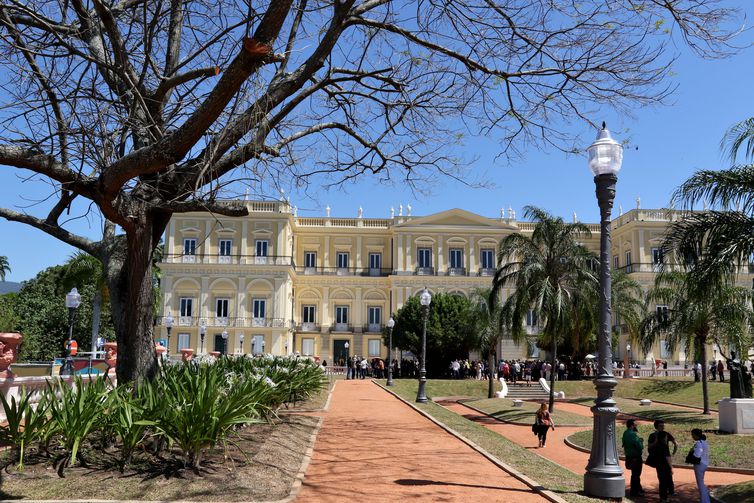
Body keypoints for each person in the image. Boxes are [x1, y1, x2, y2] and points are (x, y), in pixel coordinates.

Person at [648, 420, 677, 502]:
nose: (663, 427)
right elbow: (649, 447)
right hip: (660, 461)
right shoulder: (653, 436)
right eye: (661, 425)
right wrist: (655, 442)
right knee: (663, 480)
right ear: (656, 426)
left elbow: (675, 443)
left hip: (663, 461)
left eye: (663, 425)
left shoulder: (666, 434)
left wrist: (674, 451)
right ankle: (664, 498)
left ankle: (665, 496)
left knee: (665, 479)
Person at [622, 419, 645, 497]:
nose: (636, 425)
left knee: (634, 474)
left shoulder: (625, 433)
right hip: (636, 457)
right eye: (635, 424)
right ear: (632, 425)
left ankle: (639, 488)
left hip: (628, 456)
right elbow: (640, 447)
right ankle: (634, 491)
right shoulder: (633, 434)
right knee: (636, 475)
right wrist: (641, 441)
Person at [691, 428, 710, 503]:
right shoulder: (704, 442)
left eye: (693, 435)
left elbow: (698, 454)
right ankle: (704, 500)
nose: (692, 436)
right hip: (704, 463)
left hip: (699, 464)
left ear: (696, 435)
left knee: (700, 484)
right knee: (701, 483)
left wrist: (693, 454)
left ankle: (705, 501)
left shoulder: (699, 443)